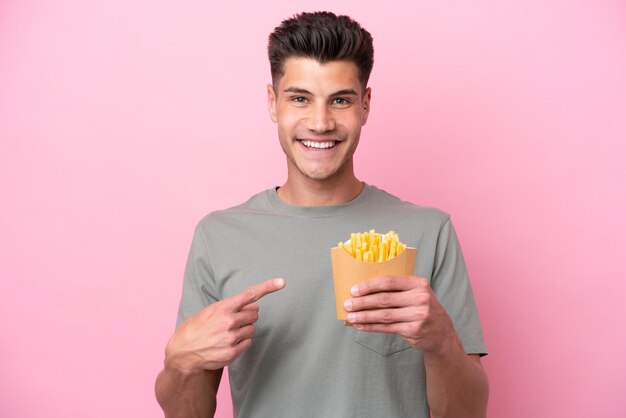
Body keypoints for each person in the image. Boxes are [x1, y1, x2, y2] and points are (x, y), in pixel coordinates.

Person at [155, 11, 489, 418]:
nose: (320, 123)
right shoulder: (219, 236)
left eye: (341, 100)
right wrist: (179, 362)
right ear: (272, 103)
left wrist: (442, 341)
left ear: (365, 104)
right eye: (299, 98)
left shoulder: (429, 230)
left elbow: (468, 413)